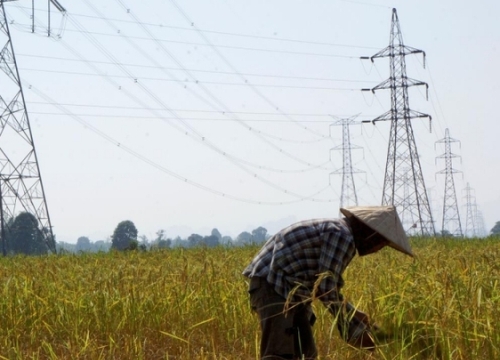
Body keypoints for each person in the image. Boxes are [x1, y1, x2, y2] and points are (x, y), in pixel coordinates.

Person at [242, 206, 414, 360]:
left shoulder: (340, 233)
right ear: (371, 234)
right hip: (273, 285)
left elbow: (325, 286)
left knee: (306, 353)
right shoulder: (342, 236)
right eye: (381, 244)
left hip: (292, 291)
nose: (376, 250)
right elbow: (325, 289)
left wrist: (355, 316)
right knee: (279, 354)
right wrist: (352, 326)